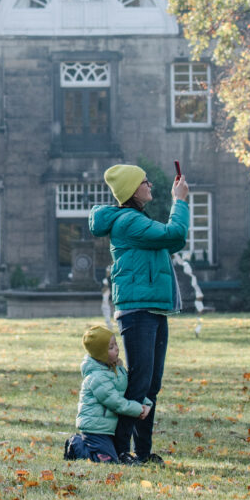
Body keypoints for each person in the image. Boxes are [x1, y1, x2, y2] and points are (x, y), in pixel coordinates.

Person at [89, 163, 189, 465]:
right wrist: (180, 200)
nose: (150, 185)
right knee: (139, 383)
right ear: (133, 190)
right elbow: (175, 235)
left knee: (151, 384)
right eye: (145, 182)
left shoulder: (137, 220)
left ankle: (143, 452)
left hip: (154, 309)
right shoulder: (128, 222)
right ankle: (120, 450)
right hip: (137, 311)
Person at [64, 324, 151, 463]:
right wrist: (138, 409)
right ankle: (76, 444)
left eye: (116, 344)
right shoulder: (97, 377)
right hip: (95, 429)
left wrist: (146, 403)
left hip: (109, 428)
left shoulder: (118, 370)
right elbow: (115, 402)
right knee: (107, 460)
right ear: (101, 355)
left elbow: (130, 390)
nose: (116, 349)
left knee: (114, 457)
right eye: (111, 348)